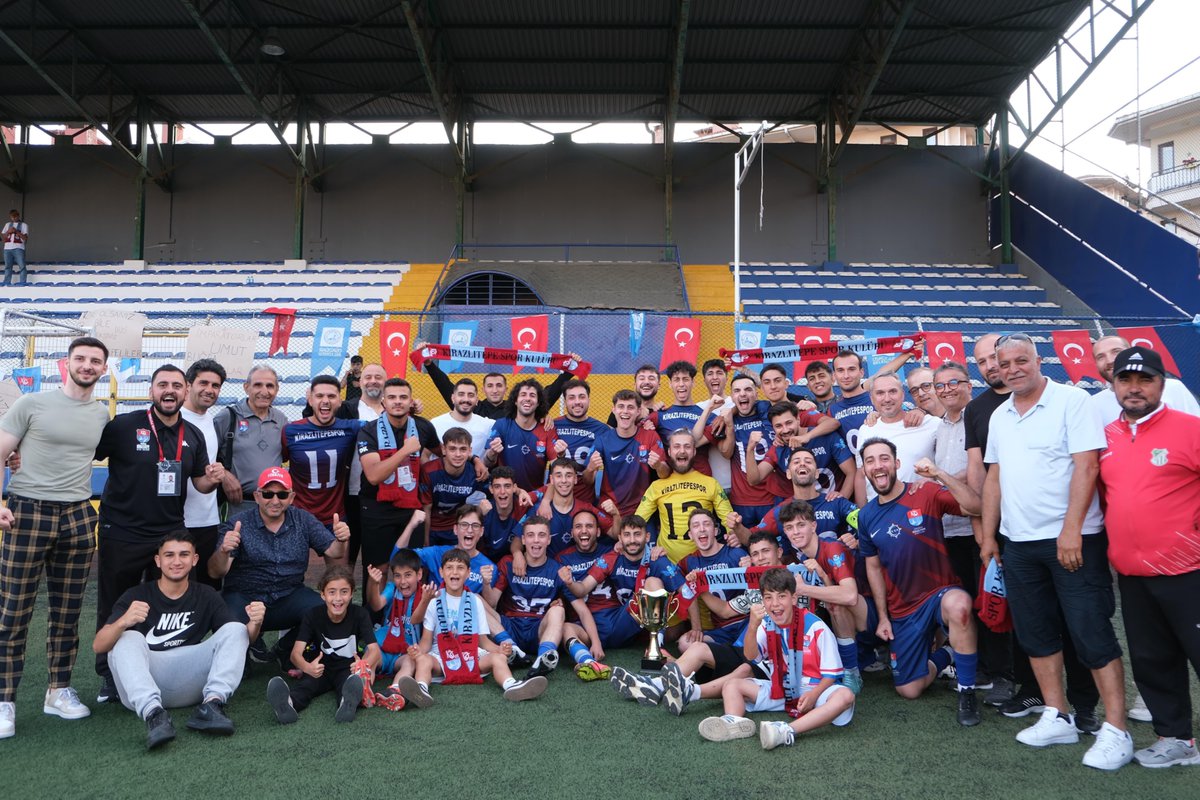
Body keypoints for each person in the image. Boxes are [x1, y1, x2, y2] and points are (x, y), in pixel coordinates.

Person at [980, 333, 1132, 770]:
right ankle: (1057, 713)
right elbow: (994, 478)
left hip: (1073, 540)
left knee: (1091, 633)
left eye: (1020, 360)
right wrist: (990, 537)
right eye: (1003, 363)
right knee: (1036, 633)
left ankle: (1116, 729)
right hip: (1019, 544)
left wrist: (1071, 531)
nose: (1011, 369)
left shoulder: (1072, 401)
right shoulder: (1001, 415)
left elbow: (1088, 465)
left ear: (1038, 360)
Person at [0, 336, 110, 737]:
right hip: (28, 509)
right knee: (13, 611)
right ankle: (3, 700)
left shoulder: (100, 415)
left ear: (103, 369)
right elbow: (1, 452)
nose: (87, 365)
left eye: (95, 360)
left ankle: (58, 690)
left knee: (67, 612)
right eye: (80, 358)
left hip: (79, 513)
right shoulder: (32, 404)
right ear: (67, 363)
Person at [94, 364, 223, 704]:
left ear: (185, 391)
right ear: (151, 390)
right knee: (115, 604)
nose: (170, 391)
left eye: (176, 386)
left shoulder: (192, 435)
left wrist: (214, 477)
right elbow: (83, 453)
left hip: (169, 536)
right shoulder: (124, 425)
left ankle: (158, 667)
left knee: (165, 606)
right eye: (162, 384)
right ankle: (109, 675)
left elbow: (200, 483)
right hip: (121, 532)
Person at [1098, 346, 1200, 768]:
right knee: (1153, 660)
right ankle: (1176, 738)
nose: (1135, 388)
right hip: (1133, 574)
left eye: (1145, 380)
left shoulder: (1190, 429)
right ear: (1114, 384)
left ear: (1162, 383)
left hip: (1187, 570)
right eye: (1126, 380)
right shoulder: (1105, 436)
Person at [92, 531, 265, 749]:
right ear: (158, 560)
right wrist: (123, 621)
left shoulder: (206, 594)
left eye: (184, 555)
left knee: (236, 628)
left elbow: (240, 639)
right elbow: (99, 645)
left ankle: (212, 706)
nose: (176, 561)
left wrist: (255, 624)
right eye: (169, 555)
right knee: (126, 637)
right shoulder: (137, 594)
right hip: (144, 684)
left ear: (194, 560)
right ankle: (154, 716)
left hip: (191, 681)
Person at [857, 437, 983, 726]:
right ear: (864, 470)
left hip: (939, 594)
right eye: (870, 461)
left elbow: (976, 507)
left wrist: (939, 474)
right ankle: (949, 653)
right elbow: (873, 568)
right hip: (903, 611)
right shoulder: (866, 516)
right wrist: (884, 618)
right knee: (909, 689)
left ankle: (967, 692)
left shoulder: (925, 491)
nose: (878, 466)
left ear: (896, 463)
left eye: (884, 458)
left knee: (960, 604)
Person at [611, 531, 785, 709]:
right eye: (755, 554)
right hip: (751, 650)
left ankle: (687, 691)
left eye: (766, 551)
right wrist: (700, 587)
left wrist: (812, 579)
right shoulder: (755, 590)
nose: (761, 558)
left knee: (745, 669)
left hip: (779, 658)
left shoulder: (795, 580)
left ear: (778, 552)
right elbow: (724, 611)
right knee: (698, 648)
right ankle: (655, 686)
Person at [697, 567, 855, 748]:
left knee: (845, 696)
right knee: (732, 684)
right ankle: (733, 722)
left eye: (781, 596)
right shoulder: (765, 624)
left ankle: (785, 731)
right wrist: (753, 626)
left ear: (794, 598)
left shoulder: (816, 627)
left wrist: (813, 695)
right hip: (781, 688)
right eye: (768, 597)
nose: (775, 604)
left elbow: (831, 675)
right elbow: (751, 656)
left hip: (815, 688)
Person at [209, 467, 349, 665]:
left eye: (282, 494)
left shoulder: (303, 519)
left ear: (291, 498)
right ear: (257, 496)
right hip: (244, 597)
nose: (275, 501)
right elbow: (216, 571)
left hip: (288, 595)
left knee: (327, 607)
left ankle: (285, 649)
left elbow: (335, 552)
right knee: (224, 616)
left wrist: (342, 539)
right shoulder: (237, 523)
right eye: (268, 494)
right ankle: (243, 653)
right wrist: (224, 550)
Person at [400, 549, 548, 706]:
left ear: (469, 573)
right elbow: (426, 641)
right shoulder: (434, 602)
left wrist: (499, 649)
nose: (455, 572)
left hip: (470, 654)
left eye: (460, 567)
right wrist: (418, 651)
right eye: (449, 567)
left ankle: (511, 685)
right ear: (441, 572)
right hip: (441, 655)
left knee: (499, 658)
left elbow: (483, 641)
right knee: (423, 660)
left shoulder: (475, 601)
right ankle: (421, 689)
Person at [484, 517, 601, 680]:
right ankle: (513, 650)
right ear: (523, 540)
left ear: (548, 539)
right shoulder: (508, 563)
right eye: (531, 535)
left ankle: (543, 659)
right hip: (509, 628)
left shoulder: (557, 570)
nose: (536, 540)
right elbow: (491, 603)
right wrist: (485, 583)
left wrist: (596, 643)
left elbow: (582, 610)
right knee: (475, 599)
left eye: (541, 535)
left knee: (558, 610)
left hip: (538, 631)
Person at [266, 565, 380, 724]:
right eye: (332, 592)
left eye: (344, 592)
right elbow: (295, 654)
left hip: (348, 667)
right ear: (323, 595)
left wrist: (363, 664)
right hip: (321, 668)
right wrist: (307, 668)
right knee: (306, 685)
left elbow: (375, 650)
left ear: (352, 593)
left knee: (349, 685)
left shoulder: (360, 614)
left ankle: (347, 704)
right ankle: (287, 704)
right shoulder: (313, 615)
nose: (338, 598)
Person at [775, 500, 865, 694]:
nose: (796, 532)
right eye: (789, 527)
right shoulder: (801, 556)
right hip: (848, 621)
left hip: (869, 613)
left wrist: (802, 589)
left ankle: (851, 673)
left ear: (814, 525)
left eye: (801, 525)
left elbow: (850, 596)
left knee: (835, 604)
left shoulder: (831, 548)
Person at [357, 378, 440, 578]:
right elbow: (374, 475)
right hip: (376, 508)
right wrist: (405, 451)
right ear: (383, 402)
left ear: (411, 401)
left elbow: (445, 453)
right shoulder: (368, 430)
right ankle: (374, 610)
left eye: (403, 397)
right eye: (392, 397)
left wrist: (474, 459)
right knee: (377, 571)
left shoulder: (423, 427)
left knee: (412, 568)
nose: (397, 401)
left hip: (411, 508)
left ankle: (409, 610)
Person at [634, 430, 736, 564]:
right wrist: (623, 540)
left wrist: (733, 535)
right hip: (668, 562)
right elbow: (637, 522)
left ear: (694, 451)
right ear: (669, 452)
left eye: (687, 446)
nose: (682, 451)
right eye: (677, 446)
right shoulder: (656, 486)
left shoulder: (711, 483)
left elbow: (729, 520)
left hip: (704, 563)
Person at [282, 376, 364, 535]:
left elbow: (382, 423)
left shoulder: (350, 427)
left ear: (340, 401)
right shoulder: (290, 431)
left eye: (331, 396)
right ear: (310, 400)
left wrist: (411, 409)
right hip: (298, 514)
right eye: (319, 396)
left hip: (335, 516)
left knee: (338, 560)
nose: (325, 400)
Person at [213, 366, 289, 518]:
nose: (264, 391)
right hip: (237, 505)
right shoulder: (228, 417)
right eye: (258, 385)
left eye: (270, 386)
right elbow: (206, 456)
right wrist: (225, 475)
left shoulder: (281, 420)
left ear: (277, 389)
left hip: (272, 506)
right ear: (246, 387)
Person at [364, 548, 434, 709]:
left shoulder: (427, 594)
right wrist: (374, 584)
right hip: (383, 644)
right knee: (370, 656)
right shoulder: (392, 588)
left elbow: (417, 619)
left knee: (411, 662)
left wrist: (426, 600)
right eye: (397, 575)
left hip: (405, 652)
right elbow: (376, 605)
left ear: (419, 575)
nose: (403, 582)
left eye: (408, 575)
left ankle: (394, 691)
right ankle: (363, 688)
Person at [181, 359, 227, 589]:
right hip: (177, 520)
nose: (210, 390)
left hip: (208, 519)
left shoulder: (213, 420)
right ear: (188, 385)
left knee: (207, 588)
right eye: (204, 383)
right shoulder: (173, 417)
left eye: (216, 385)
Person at [585, 389, 667, 517]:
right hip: (610, 508)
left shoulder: (650, 436)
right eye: (621, 407)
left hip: (642, 510)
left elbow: (665, 474)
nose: (625, 411)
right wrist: (590, 468)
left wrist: (659, 466)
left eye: (630, 407)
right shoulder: (603, 440)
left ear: (638, 411)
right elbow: (587, 480)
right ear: (614, 410)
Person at [556, 510, 617, 680]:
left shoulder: (611, 551)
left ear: (598, 531)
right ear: (572, 533)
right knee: (565, 628)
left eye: (589, 526)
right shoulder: (562, 560)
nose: (584, 530)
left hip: (614, 619)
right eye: (578, 526)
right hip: (584, 628)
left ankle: (657, 648)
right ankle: (589, 662)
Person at [748, 401, 853, 499]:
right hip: (804, 511)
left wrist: (841, 500)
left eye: (789, 423)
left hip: (831, 504)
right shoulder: (778, 448)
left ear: (798, 420)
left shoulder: (825, 436)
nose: (785, 430)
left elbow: (851, 472)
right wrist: (750, 449)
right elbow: (754, 479)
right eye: (778, 426)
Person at [678, 509, 749, 647]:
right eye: (696, 526)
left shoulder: (736, 553)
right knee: (684, 644)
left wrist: (750, 565)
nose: (702, 529)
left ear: (716, 531)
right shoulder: (688, 562)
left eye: (706, 524)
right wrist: (696, 627)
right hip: (721, 630)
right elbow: (678, 584)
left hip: (747, 622)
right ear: (690, 535)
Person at [1090, 335, 1199, 421]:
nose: (1110, 360)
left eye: (1116, 351)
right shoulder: (1093, 404)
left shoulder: (1172, 387)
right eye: (1100, 357)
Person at [482, 379, 564, 492]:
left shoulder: (547, 428)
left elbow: (558, 467)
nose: (528, 398)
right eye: (523, 394)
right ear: (515, 400)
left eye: (532, 395)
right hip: (505, 495)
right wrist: (492, 452)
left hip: (534, 497)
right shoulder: (501, 425)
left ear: (538, 402)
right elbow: (486, 462)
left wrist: (561, 456)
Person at [344, 363, 387, 577]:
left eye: (378, 377)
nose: (373, 381)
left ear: (385, 382)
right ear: (360, 382)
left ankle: (371, 605)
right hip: (352, 491)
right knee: (349, 550)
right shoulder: (348, 409)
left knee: (375, 554)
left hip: (384, 493)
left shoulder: (395, 410)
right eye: (368, 376)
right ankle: (343, 600)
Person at [526, 458, 615, 557]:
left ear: (575, 479)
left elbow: (614, 533)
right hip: (548, 569)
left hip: (574, 568)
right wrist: (517, 554)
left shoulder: (586, 509)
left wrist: (616, 514)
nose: (564, 480)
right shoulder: (539, 509)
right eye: (559, 476)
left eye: (568, 476)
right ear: (552, 479)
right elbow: (518, 539)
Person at [419, 427, 488, 546]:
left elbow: (497, 488)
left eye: (463, 449)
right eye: (452, 449)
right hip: (432, 529)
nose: (458, 454)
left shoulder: (476, 473)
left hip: (458, 529)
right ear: (443, 449)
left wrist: (518, 491)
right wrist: (425, 542)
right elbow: (426, 509)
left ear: (469, 451)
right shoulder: (429, 471)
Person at [553, 379, 610, 504]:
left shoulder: (602, 430)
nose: (577, 402)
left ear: (588, 399)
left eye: (582, 397)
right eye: (572, 397)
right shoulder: (551, 425)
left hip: (584, 501)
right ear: (565, 401)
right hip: (554, 500)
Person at [429, 377, 494, 459]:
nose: (466, 399)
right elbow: (425, 455)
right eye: (461, 394)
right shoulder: (435, 424)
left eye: (470, 395)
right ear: (453, 398)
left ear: (477, 400)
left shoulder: (489, 425)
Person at [476, 466, 531, 562]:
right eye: (497, 487)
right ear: (491, 489)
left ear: (514, 488)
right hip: (487, 564)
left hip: (515, 563)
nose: (502, 492)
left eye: (507, 486)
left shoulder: (524, 504)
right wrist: (478, 517)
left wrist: (521, 491)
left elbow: (547, 489)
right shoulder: (485, 511)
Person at [2, 208, 28, 286]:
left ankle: (22, 282)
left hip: (19, 248)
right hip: (7, 248)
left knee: (22, 266)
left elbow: (25, 238)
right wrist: (8, 231)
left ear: (18, 216)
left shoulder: (24, 225)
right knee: (7, 266)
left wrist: (16, 231)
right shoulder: (7, 225)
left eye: (15, 217)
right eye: (12, 217)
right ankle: (7, 282)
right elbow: (3, 238)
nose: (14, 218)